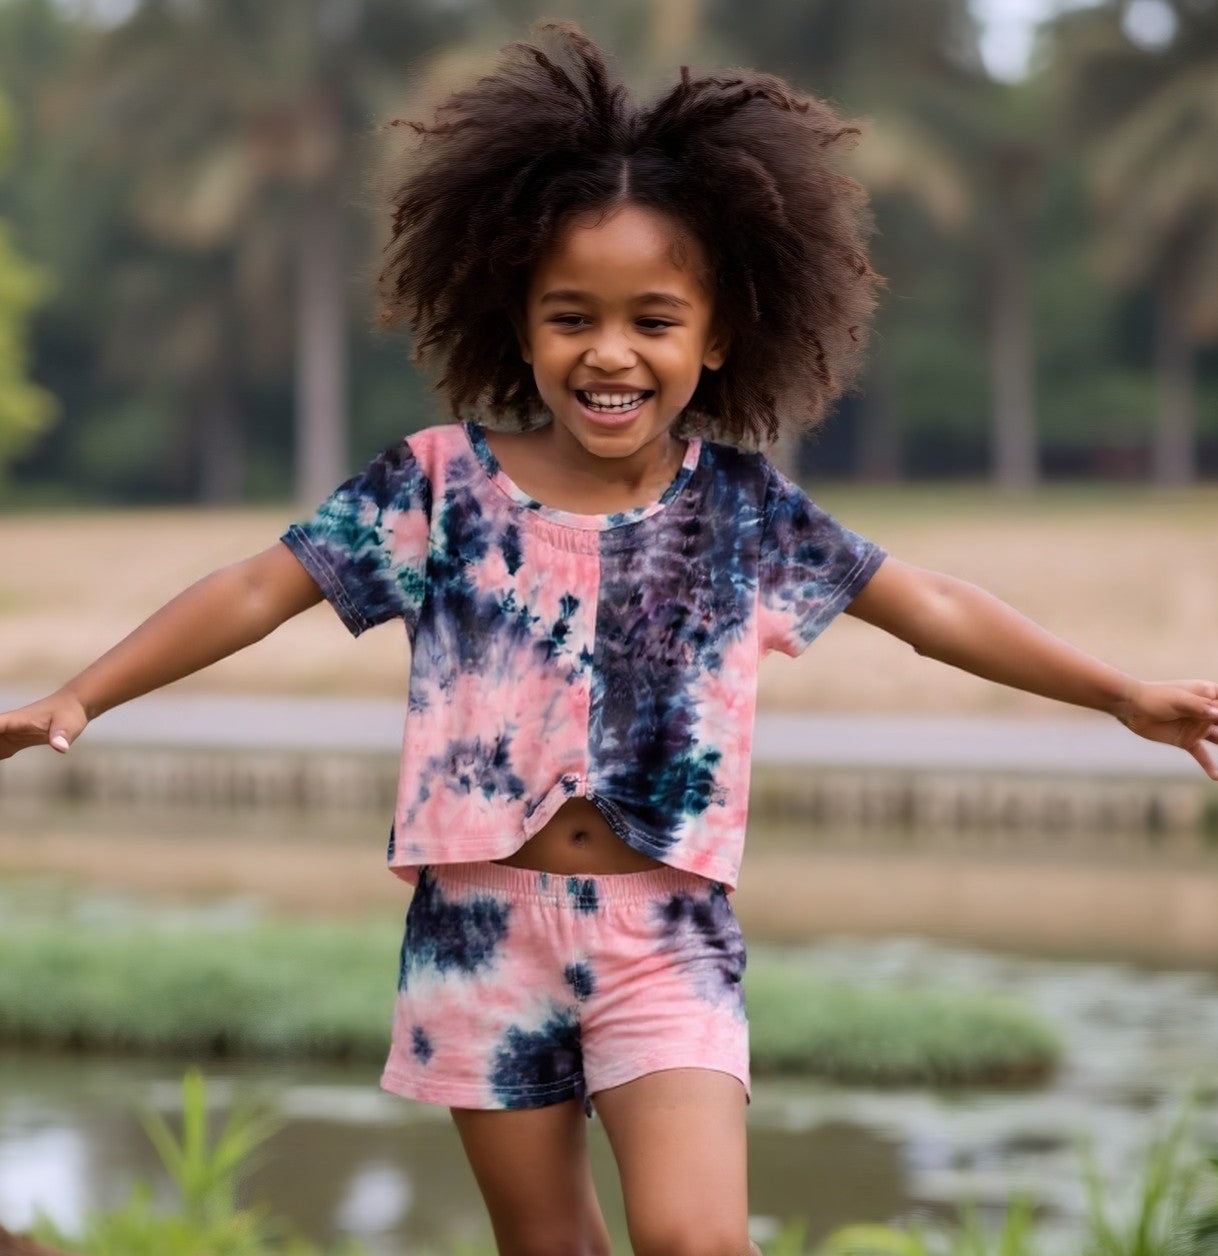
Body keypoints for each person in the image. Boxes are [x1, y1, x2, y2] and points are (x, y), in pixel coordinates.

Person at [2, 21, 1215, 1256]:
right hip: (478, 929)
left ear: (717, 336)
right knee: (549, 1247)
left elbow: (932, 607)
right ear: (518, 324)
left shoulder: (746, 510)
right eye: (571, 315)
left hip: (666, 932)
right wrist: (81, 694)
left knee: (697, 1240)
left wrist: (1119, 693)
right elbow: (263, 587)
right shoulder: (435, 486)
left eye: (653, 318)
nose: (611, 351)